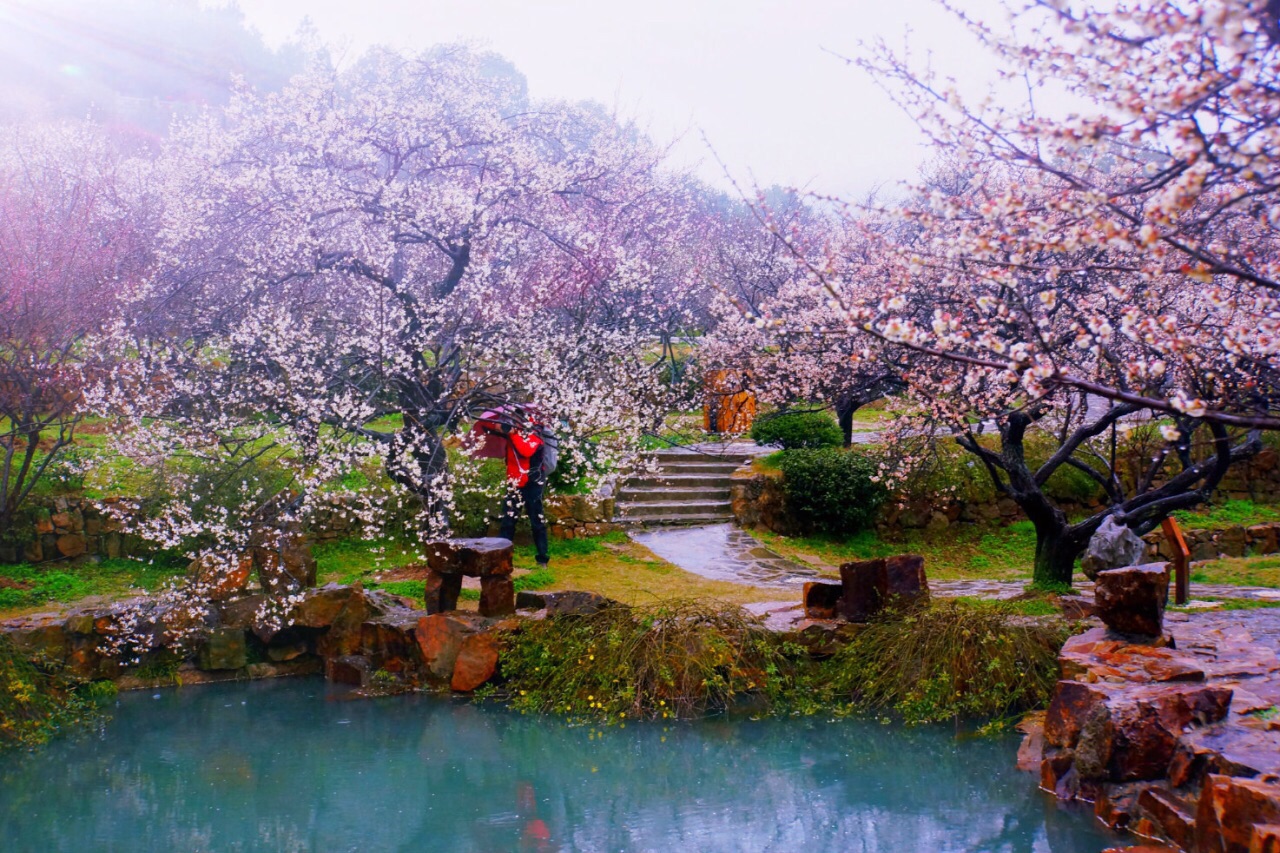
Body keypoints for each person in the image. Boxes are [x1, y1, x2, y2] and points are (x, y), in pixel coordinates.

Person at [480, 407, 550, 569]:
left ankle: (542, 559)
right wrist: (498, 426)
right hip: (514, 482)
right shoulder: (512, 431)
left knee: (537, 520)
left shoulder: (536, 434)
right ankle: (501, 558)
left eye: (517, 419)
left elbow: (525, 451)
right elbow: (484, 425)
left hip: (533, 483)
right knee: (508, 521)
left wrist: (512, 434)